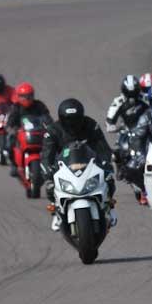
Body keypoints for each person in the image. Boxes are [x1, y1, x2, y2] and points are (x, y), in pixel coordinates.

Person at [42, 98, 117, 232]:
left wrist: (106, 162)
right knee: (49, 185)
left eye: (76, 119)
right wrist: (48, 172)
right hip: (63, 167)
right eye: (69, 120)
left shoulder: (91, 125)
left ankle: (109, 206)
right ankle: (56, 211)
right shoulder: (53, 130)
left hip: (90, 164)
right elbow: (46, 155)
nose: (73, 123)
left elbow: (102, 146)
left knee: (109, 178)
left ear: (81, 117)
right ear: (62, 119)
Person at [106, 75, 150, 200]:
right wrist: (114, 127)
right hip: (126, 131)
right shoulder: (118, 102)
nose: (131, 99)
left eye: (134, 94)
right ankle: (120, 170)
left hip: (146, 131)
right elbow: (109, 120)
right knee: (117, 153)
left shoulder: (145, 98)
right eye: (129, 94)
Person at [6, 82, 52, 177]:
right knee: (10, 143)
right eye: (23, 96)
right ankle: (14, 165)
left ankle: (51, 167)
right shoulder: (16, 107)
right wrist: (12, 129)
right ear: (18, 96)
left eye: (29, 96)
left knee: (52, 145)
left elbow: (47, 117)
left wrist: (50, 127)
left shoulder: (39, 105)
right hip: (21, 133)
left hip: (38, 132)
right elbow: (10, 121)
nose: (27, 98)